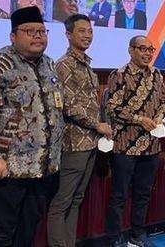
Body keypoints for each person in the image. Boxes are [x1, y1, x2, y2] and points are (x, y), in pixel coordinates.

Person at [0, 6, 65, 246]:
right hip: (4, 170)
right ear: (13, 36)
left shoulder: (49, 65)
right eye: (30, 31)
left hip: (39, 170)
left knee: (26, 235)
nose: (38, 36)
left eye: (42, 31)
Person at [47, 14, 113, 247]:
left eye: (90, 31)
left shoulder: (86, 63)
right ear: (68, 34)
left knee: (76, 200)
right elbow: (67, 105)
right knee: (61, 202)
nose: (87, 35)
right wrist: (97, 125)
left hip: (90, 143)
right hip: (73, 143)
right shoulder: (63, 65)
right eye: (82, 31)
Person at [105, 35, 165, 247]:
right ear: (131, 50)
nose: (148, 53)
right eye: (143, 49)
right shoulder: (120, 75)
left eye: (150, 49)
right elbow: (113, 108)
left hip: (151, 146)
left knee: (143, 194)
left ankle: (137, 235)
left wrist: (158, 118)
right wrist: (140, 120)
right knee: (119, 196)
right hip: (125, 144)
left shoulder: (157, 74)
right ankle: (115, 238)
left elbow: (163, 102)